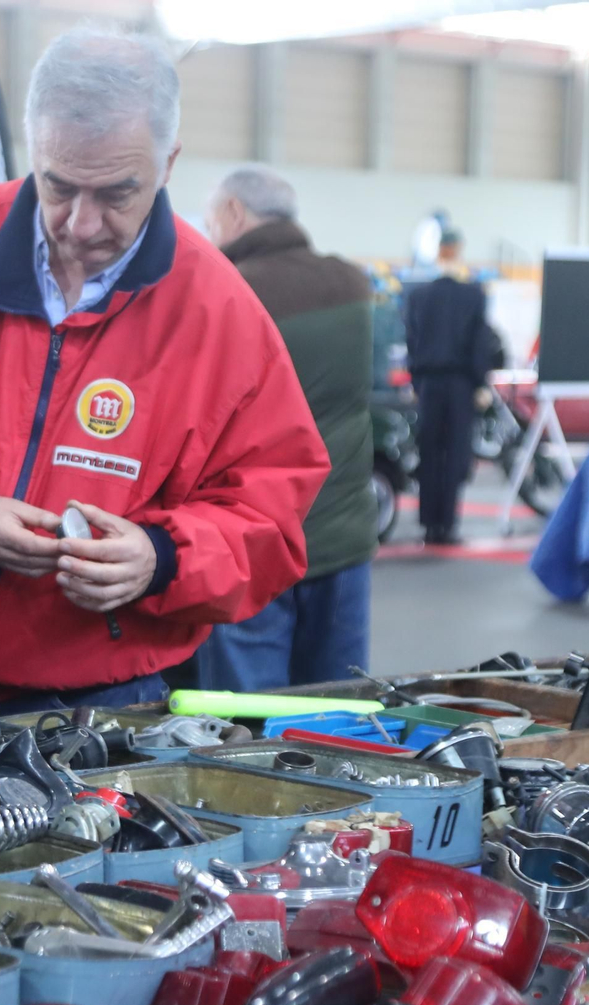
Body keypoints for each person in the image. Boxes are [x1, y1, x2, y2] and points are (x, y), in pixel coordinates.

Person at [0, 28, 330, 729]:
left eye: (117, 193)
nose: (81, 223)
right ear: (33, 148)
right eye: (58, 186)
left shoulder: (220, 311)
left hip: (114, 701)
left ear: (168, 163)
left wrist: (160, 558)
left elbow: (270, 512)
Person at [195, 166, 376, 688]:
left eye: (212, 222)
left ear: (234, 213)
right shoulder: (352, 282)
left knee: (243, 726)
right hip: (344, 537)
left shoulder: (227, 290)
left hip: (253, 542)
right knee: (337, 714)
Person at [404, 228, 500, 545]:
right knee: (456, 452)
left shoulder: (419, 295)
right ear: (457, 250)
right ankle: (448, 523)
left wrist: (416, 381)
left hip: (429, 383)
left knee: (430, 451)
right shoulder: (473, 295)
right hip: (460, 384)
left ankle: (429, 524)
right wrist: (481, 383)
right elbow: (479, 342)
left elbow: (412, 343)